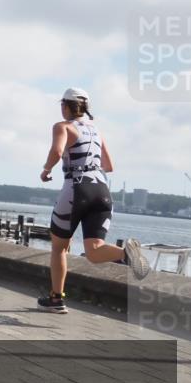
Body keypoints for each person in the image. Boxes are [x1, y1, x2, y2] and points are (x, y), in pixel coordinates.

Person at [38, 88, 149, 314]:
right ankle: (126, 253)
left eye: (62, 105)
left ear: (67, 106)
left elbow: (57, 151)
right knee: (94, 251)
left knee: (59, 247)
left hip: (77, 188)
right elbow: (109, 166)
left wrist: (46, 169)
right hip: (102, 190)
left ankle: (56, 298)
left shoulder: (63, 126)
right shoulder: (96, 130)